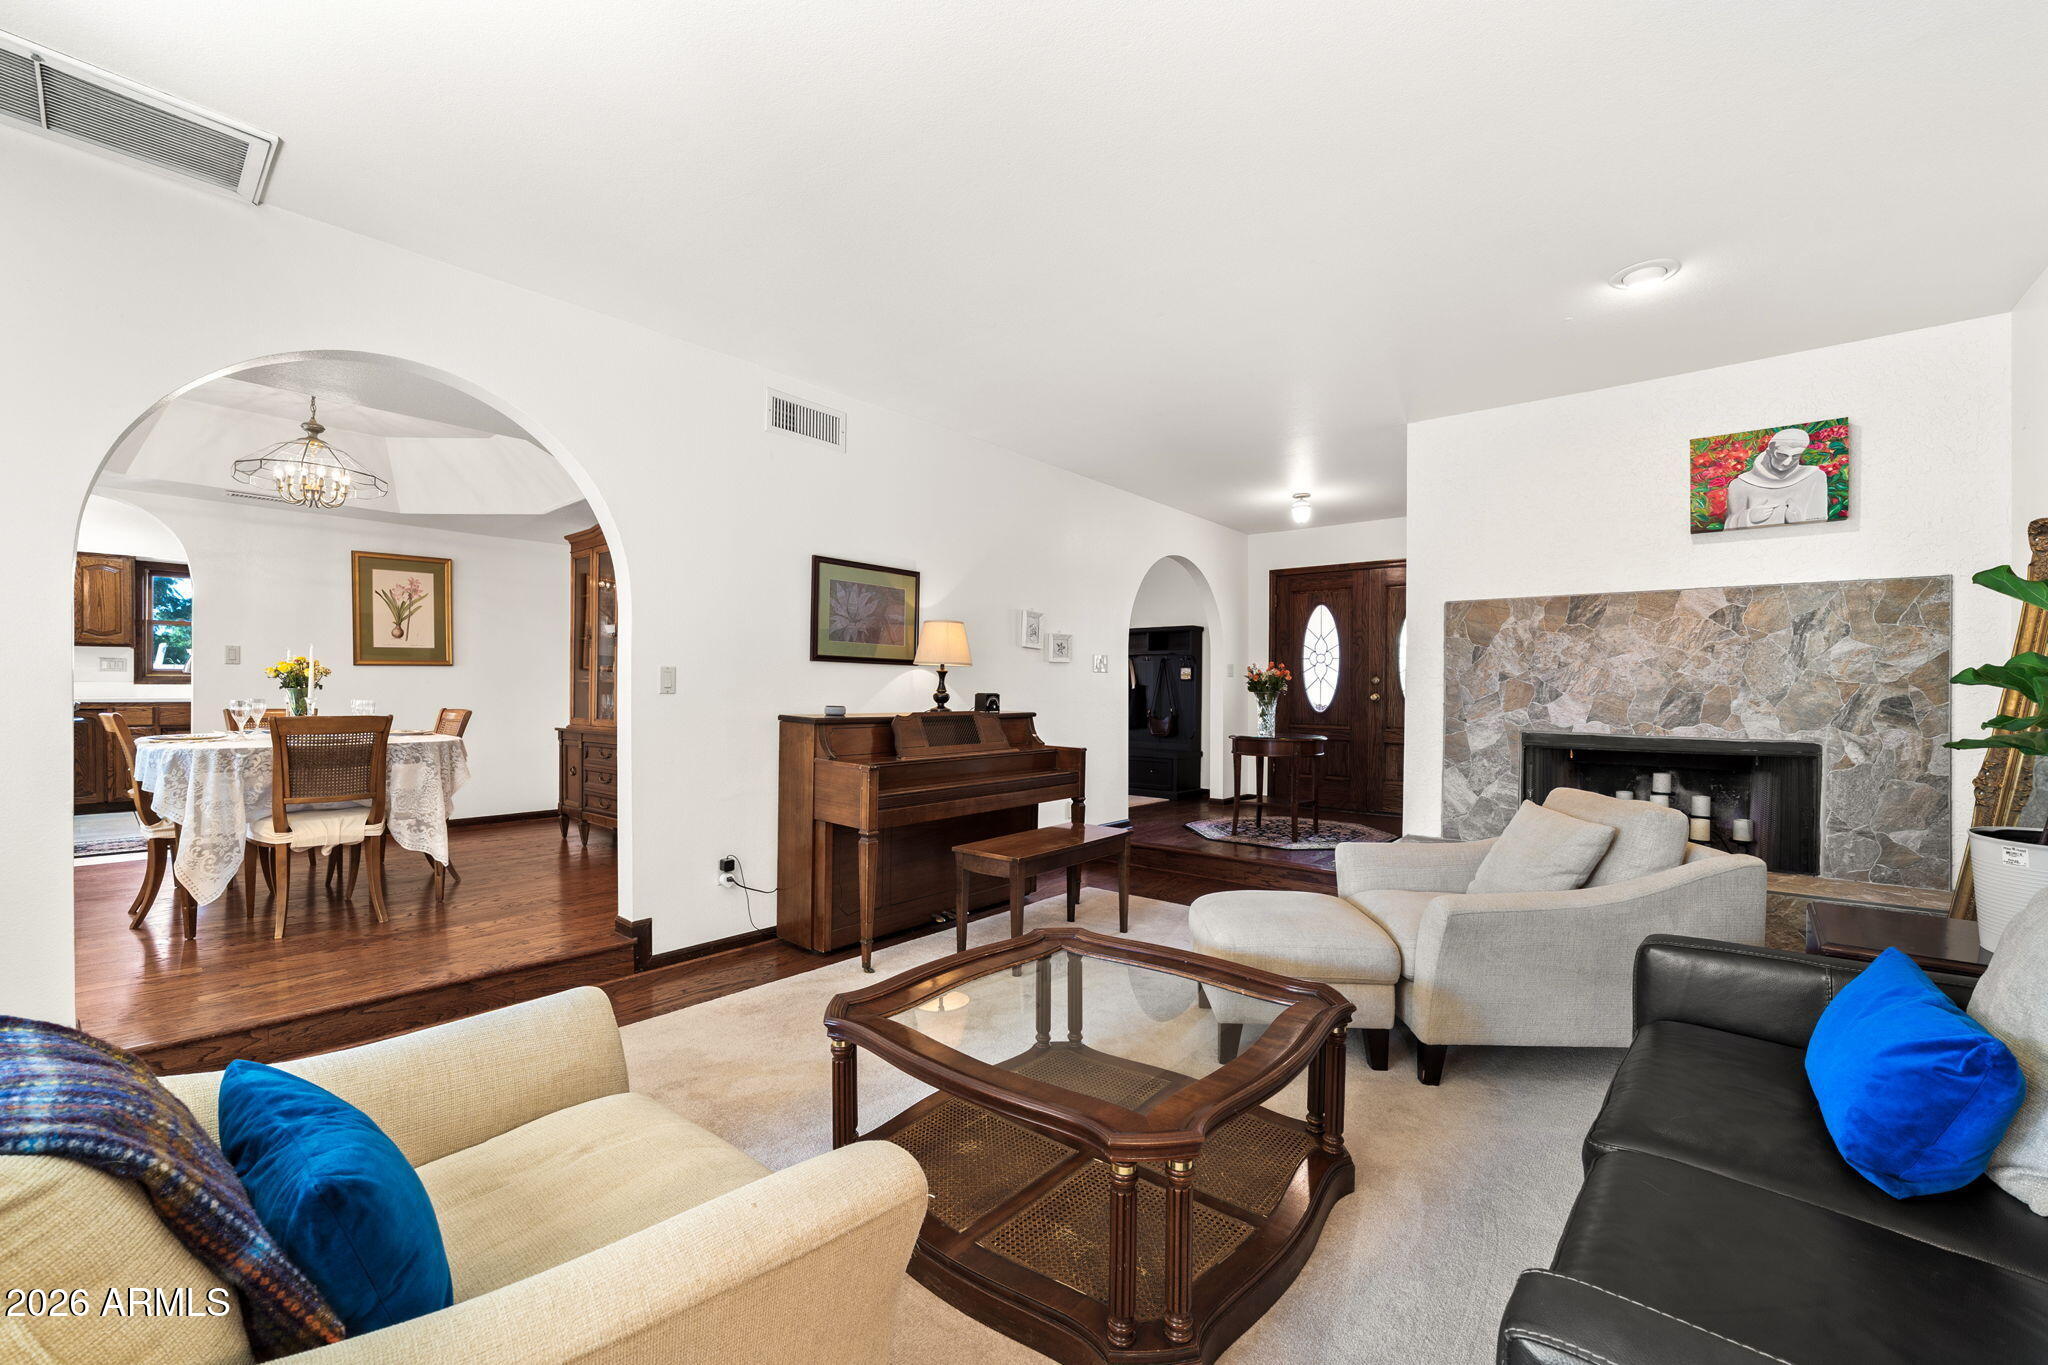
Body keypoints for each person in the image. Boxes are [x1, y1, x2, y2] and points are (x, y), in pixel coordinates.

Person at [1724, 428, 1827, 527]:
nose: (1787, 462)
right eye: (1782, 455)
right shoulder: (1740, 485)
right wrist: (1749, 517)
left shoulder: (1815, 477)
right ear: (1770, 451)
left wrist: (1800, 520)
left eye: (1795, 457)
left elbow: (1821, 523)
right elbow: (1730, 525)